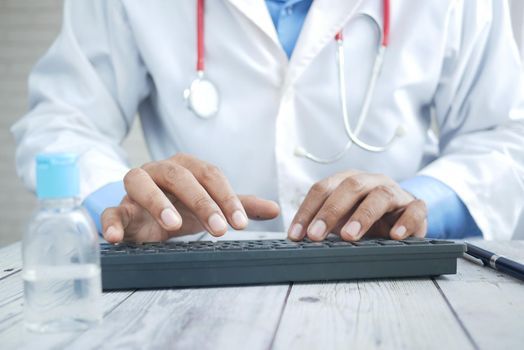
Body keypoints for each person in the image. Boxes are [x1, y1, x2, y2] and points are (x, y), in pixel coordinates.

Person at [11, 0, 524, 243]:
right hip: (196, 291)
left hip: (396, 288)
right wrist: (121, 205)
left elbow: (504, 135)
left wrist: (421, 204)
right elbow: (64, 120)